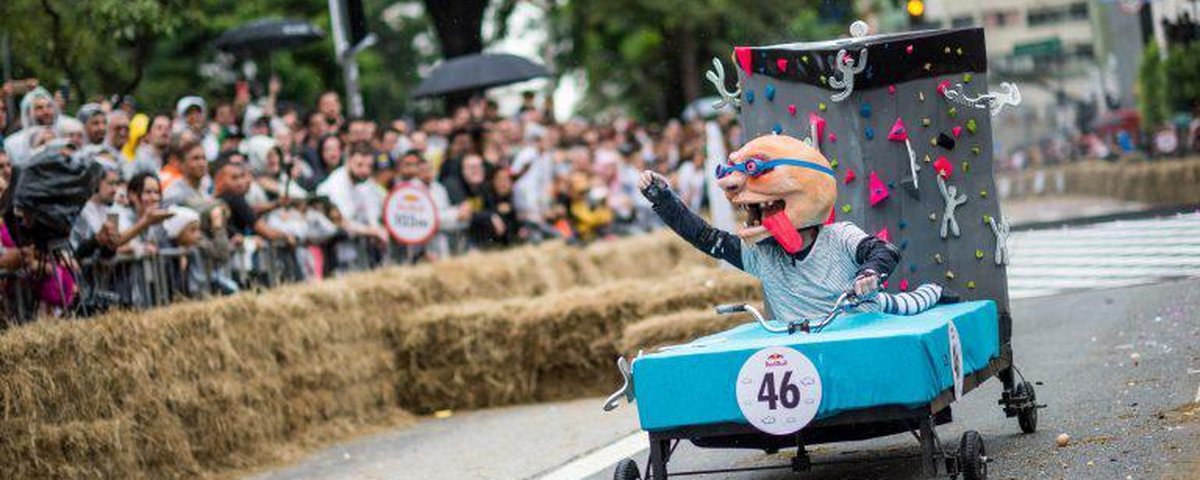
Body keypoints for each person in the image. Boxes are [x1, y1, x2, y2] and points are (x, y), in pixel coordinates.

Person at [639, 134, 946, 321]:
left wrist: (868, 274)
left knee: (915, 301)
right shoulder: (762, 255)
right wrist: (663, 199)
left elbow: (883, 250)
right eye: (756, 210)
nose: (760, 216)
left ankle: (937, 292)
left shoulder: (838, 236)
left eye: (769, 206)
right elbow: (706, 238)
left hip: (858, 329)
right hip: (802, 344)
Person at [5, 87, 68, 163]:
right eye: (39, 108)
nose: (46, 111)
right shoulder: (12, 143)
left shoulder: (64, 136)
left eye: (49, 106)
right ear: (28, 113)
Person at [162, 140, 211, 207]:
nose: (202, 163)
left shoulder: (204, 190)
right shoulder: (174, 194)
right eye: (195, 159)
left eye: (204, 158)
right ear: (182, 164)